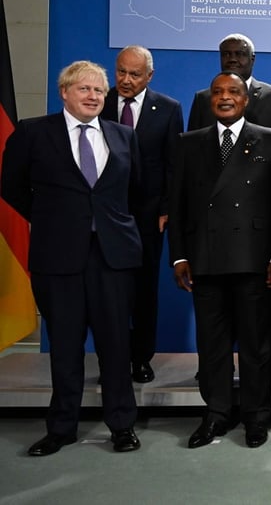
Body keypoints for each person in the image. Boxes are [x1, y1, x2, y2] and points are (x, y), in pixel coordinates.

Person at [1, 61, 142, 456]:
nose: (93, 96)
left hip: (113, 257)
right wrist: (52, 220)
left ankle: (122, 426)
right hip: (57, 257)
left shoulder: (123, 135)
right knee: (64, 346)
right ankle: (61, 428)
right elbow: (11, 186)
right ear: (64, 92)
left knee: (116, 346)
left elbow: (135, 189)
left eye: (98, 90)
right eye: (84, 89)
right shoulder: (32, 132)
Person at [168, 72, 271, 449]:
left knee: (256, 344)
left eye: (233, 92)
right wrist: (179, 255)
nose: (224, 97)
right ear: (210, 100)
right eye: (218, 92)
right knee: (212, 344)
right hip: (205, 258)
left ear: (245, 99)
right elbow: (178, 203)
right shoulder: (189, 143)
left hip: (254, 258)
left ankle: (256, 415)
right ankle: (216, 413)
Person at [188, 32, 271, 382]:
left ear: (253, 59)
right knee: (214, 320)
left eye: (240, 53)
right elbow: (190, 166)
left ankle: (265, 364)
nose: (233, 59)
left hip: (254, 231)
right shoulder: (202, 98)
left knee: (259, 315)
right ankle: (215, 375)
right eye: (226, 54)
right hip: (212, 233)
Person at [100, 45, 183, 384]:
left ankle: (141, 358)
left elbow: (173, 165)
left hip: (148, 216)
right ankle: (112, 361)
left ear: (149, 76)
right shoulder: (99, 102)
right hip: (105, 212)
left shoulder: (168, 108)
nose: (125, 79)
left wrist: (167, 208)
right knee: (108, 292)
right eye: (121, 71)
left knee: (144, 290)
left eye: (134, 74)